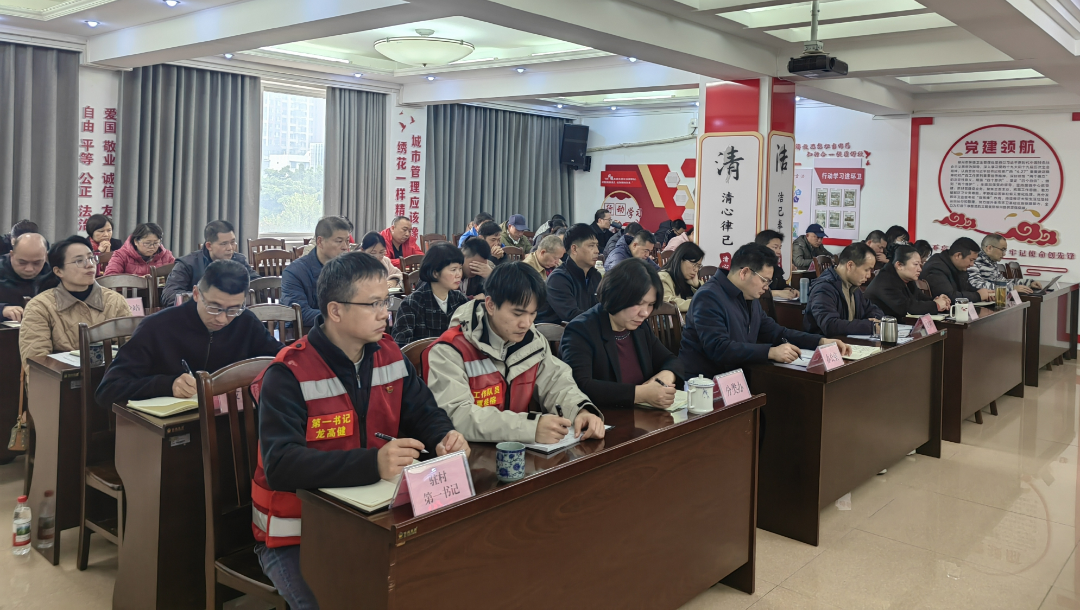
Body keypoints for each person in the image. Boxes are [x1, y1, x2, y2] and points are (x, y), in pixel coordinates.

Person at [252, 252, 468, 609]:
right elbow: (281, 465)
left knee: (440, 580)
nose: (386, 313)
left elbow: (424, 412)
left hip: (373, 521)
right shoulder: (288, 373)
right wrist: (373, 464)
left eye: (386, 301)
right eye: (373, 304)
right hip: (298, 534)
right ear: (335, 311)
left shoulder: (389, 354)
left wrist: (443, 436)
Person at [422, 262, 605, 443]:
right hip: (470, 452)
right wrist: (529, 427)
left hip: (520, 450)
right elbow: (457, 415)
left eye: (532, 314)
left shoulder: (533, 341)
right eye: (517, 314)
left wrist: (580, 411)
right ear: (490, 305)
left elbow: (556, 383)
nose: (526, 323)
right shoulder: (450, 350)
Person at [96, 260, 284, 407]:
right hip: (176, 429)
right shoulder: (156, 328)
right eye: (214, 307)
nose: (222, 319)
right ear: (196, 294)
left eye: (234, 309)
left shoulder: (246, 321)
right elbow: (108, 390)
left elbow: (282, 360)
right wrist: (168, 385)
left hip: (233, 421)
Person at [679, 243, 850, 379]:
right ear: (744, 273)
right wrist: (770, 352)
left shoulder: (749, 297)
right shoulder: (709, 297)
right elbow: (718, 348)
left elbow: (776, 332)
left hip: (739, 377)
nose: (766, 287)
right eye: (764, 280)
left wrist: (820, 342)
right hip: (704, 383)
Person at [561, 258, 685, 410]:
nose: (645, 313)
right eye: (638, 303)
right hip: (604, 418)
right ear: (617, 295)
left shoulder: (640, 328)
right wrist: (641, 394)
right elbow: (581, 385)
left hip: (643, 415)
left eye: (650, 305)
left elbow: (671, 360)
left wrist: (666, 375)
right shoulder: (581, 330)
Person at [19, 236, 131, 368]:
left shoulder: (115, 301)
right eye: (79, 261)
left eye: (91, 258)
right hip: (62, 379)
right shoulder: (40, 306)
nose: (89, 264)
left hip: (112, 377)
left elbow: (132, 348)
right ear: (58, 271)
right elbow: (36, 363)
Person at [162, 220, 258, 307]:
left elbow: (258, 284)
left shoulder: (239, 260)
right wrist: (208, 300)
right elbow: (169, 295)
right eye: (224, 244)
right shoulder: (187, 264)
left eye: (232, 242)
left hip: (234, 314)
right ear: (209, 246)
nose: (230, 248)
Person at [391, 243, 470, 347]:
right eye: (453, 269)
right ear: (435, 273)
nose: (459, 274)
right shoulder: (412, 304)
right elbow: (402, 346)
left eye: (460, 268)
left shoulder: (460, 299)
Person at [283, 216, 352, 328]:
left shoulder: (348, 269)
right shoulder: (295, 272)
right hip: (301, 332)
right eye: (339, 241)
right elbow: (301, 314)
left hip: (338, 329)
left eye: (347, 241)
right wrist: (344, 316)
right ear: (320, 242)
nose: (345, 247)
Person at [804, 243, 884, 336]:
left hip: (848, 341)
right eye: (866, 270)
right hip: (826, 343)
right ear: (850, 265)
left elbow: (873, 309)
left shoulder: (853, 286)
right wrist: (870, 326)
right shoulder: (824, 288)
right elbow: (830, 325)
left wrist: (876, 321)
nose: (869, 275)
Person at [536, 224, 602, 324]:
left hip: (586, 329)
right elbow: (572, 316)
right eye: (591, 246)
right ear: (574, 249)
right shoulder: (558, 279)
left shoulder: (595, 276)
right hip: (555, 332)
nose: (597, 251)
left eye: (596, 245)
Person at [865, 244, 951, 319]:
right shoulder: (885, 281)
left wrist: (939, 301)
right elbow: (907, 308)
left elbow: (920, 298)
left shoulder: (907, 279)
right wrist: (936, 305)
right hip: (878, 328)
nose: (920, 269)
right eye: (915, 264)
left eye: (920, 265)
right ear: (899, 265)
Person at [921, 236, 993, 302]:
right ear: (958, 255)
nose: (972, 264)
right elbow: (949, 298)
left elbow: (966, 289)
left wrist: (984, 293)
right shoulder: (936, 268)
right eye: (971, 260)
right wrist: (978, 296)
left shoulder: (956, 266)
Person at [0, 233, 50, 322]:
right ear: (12, 255)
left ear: (45, 257)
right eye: (22, 262)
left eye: (37, 263)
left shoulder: (53, 274)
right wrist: (2, 310)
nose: (29, 269)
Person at [968, 233, 1040, 294]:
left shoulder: (991, 262)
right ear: (989, 248)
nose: (1004, 254)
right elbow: (976, 285)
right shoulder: (973, 261)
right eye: (1002, 250)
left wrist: (1029, 283)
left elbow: (1003, 281)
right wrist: (1011, 288)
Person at [102, 222, 176, 276]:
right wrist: (138, 281)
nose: (152, 246)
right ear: (136, 242)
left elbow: (178, 274)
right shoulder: (121, 255)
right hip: (130, 293)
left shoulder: (166, 255)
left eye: (156, 243)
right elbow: (110, 277)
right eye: (147, 243)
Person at [658, 241, 703, 313]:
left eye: (698, 266)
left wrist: (697, 286)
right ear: (681, 260)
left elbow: (708, 296)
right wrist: (700, 303)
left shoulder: (690, 279)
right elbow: (669, 303)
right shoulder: (663, 278)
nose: (696, 270)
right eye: (694, 264)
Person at [755, 229, 798, 300]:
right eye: (775, 247)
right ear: (762, 247)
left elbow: (782, 285)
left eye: (780, 248)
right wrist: (777, 293)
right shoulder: (753, 266)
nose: (779, 252)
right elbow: (752, 291)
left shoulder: (775, 268)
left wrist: (791, 290)